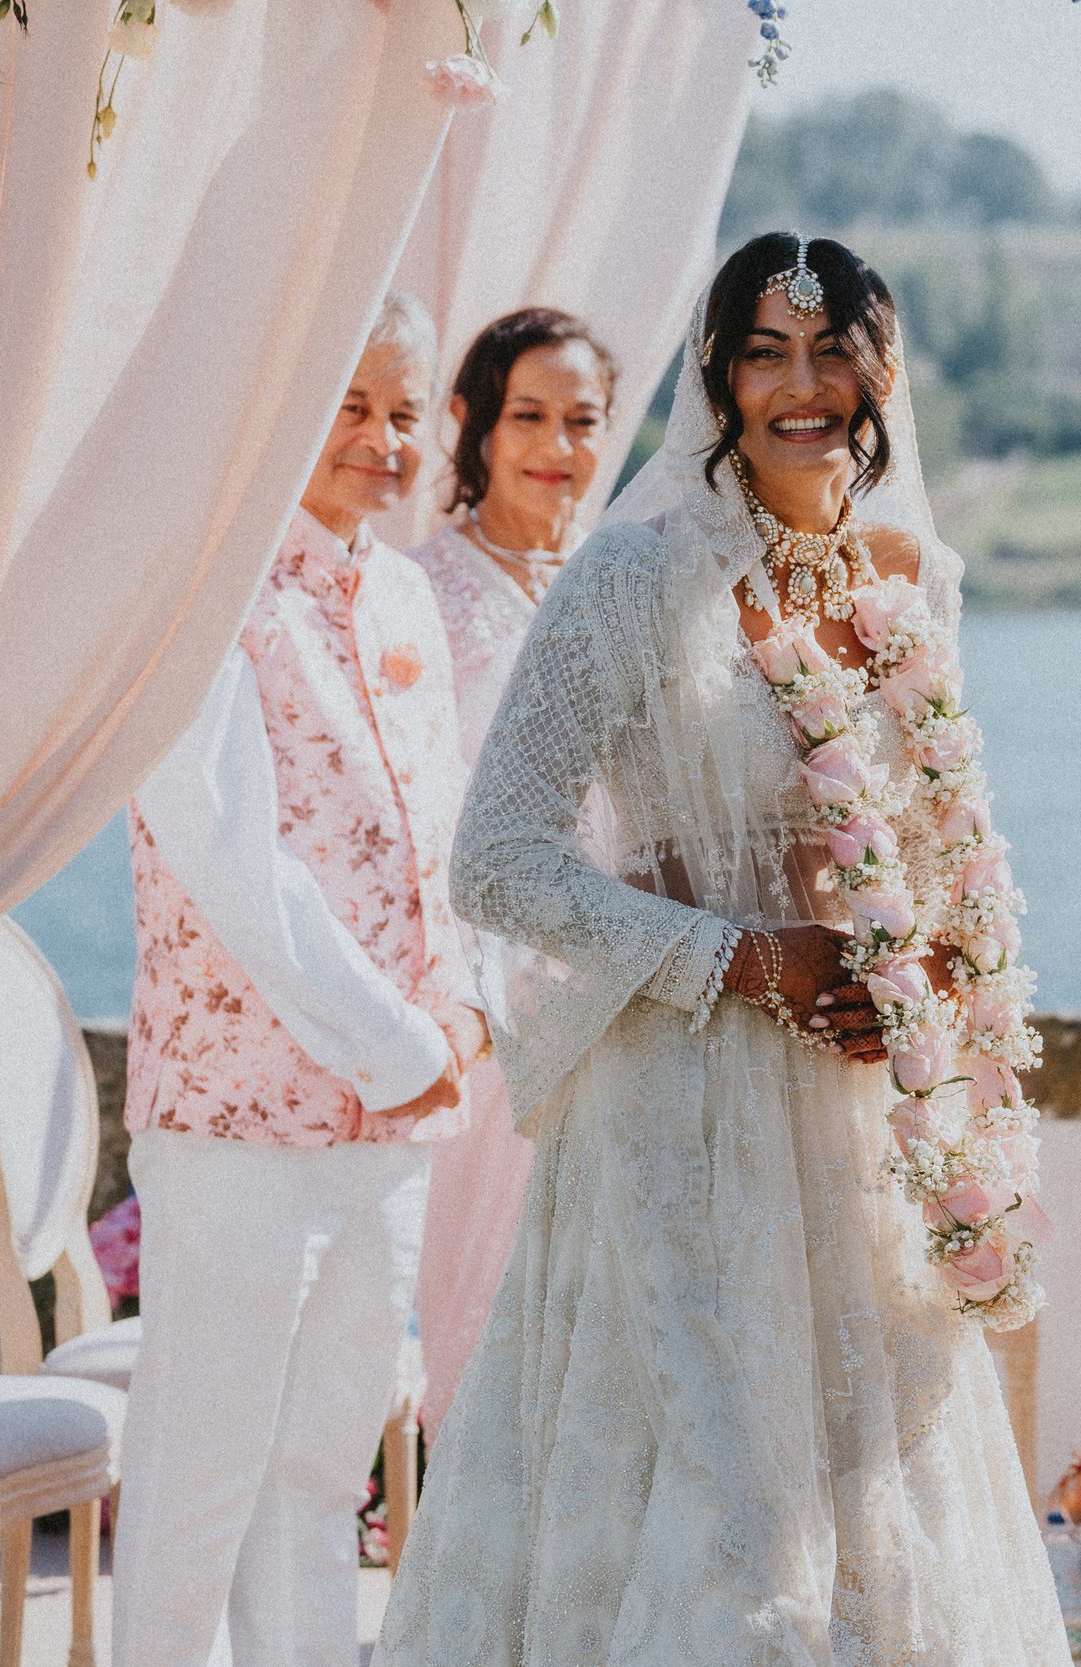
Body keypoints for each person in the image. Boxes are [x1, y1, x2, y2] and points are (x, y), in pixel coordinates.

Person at [374, 235, 1066, 1663]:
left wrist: (922, 969)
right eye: (765, 350)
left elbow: (931, 848)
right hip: (677, 1128)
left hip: (865, 1138)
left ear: (883, 370)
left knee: (871, 1525)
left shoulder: (913, 580)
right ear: (719, 377)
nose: (801, 386)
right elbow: (497, 859)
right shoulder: (633, 580)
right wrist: (744, 959)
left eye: (830, 350)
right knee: (728, 1536)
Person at [116, 291, 488, 1667]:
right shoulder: (204, 584)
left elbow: (436, 833)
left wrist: (462, 1014)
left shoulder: (398, 585)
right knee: (200, 1471)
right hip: (240, 1117)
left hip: (393, 1122)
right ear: (280, 401)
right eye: (351, 405)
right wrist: (402, 1040)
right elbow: (229, 854)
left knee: (324, 1474)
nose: (386, 441)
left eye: (405, 411)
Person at [406, 306, 618, 1439]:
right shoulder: (420, 599)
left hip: (623, 1004)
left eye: (581, 419)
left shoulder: (618, 588)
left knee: (614, 1332)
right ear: (473, 426)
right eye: (528, 414)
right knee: (486, 1316)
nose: (557, 445)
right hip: (487, 1015)